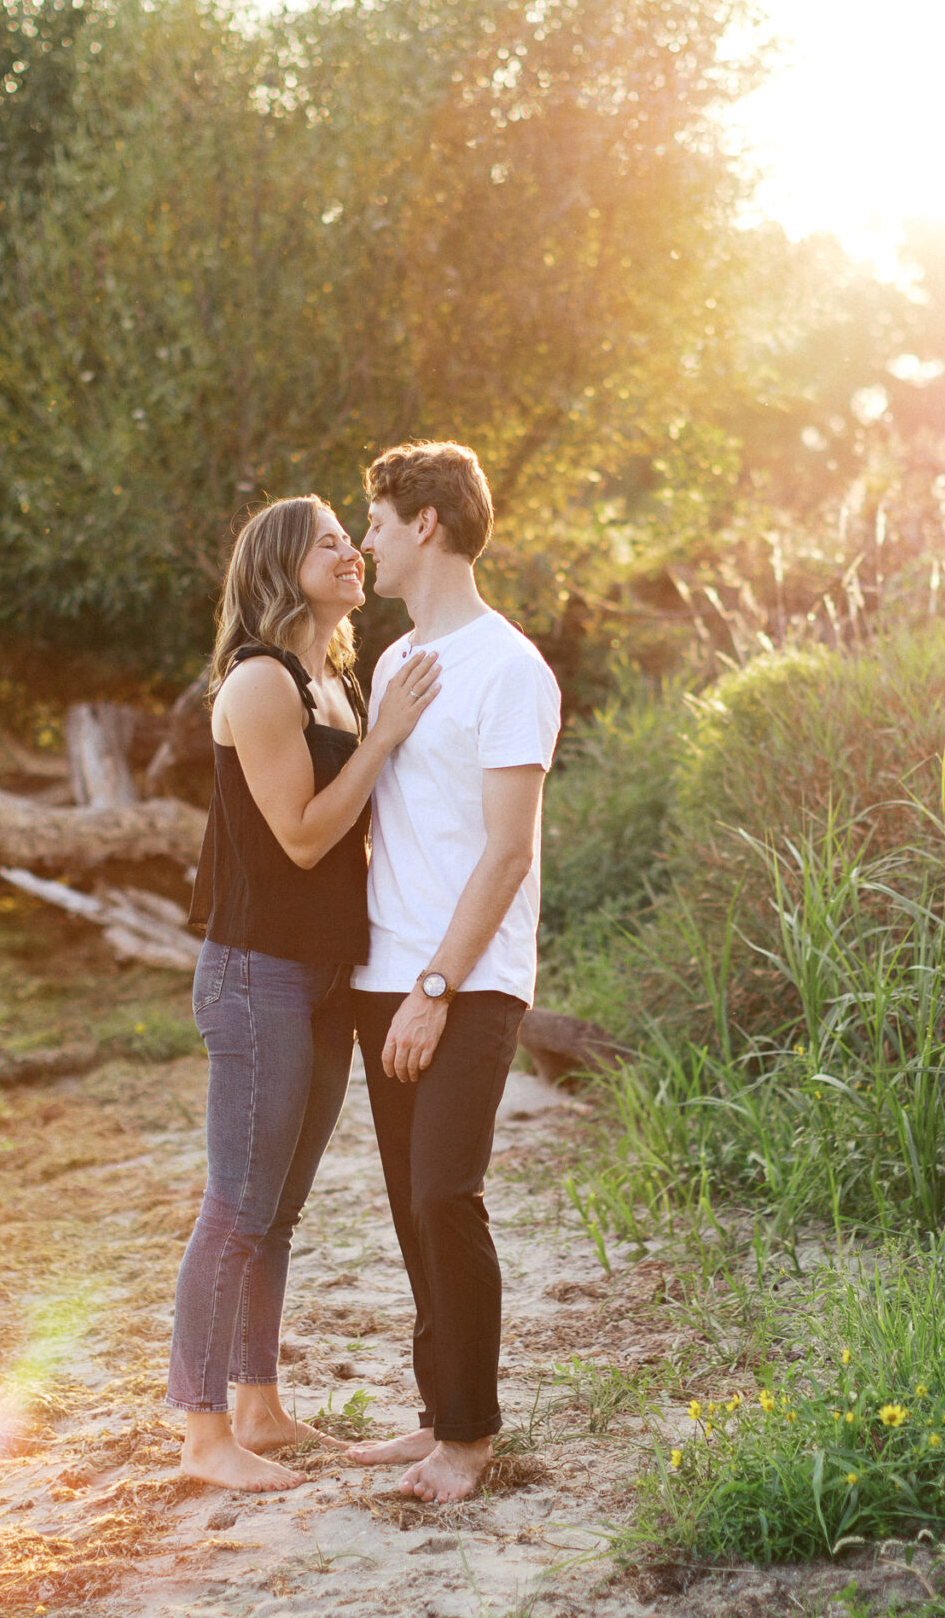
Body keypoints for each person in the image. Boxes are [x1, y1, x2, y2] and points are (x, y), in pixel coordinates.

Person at [170, 494, 441, 1491]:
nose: (350, 551)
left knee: (276, 1212)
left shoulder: (339, 680)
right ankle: (202, 1436)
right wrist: (388, 738)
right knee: (236, 1206)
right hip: (256, 975)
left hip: (328, 973)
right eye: (328, 539)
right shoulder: (257, 682)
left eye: (349, 537)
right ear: (281, 566)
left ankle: (258, 1406)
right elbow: (302, 834)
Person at [342, 442, 562, 1504]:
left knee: (444, 1194)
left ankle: (470, 1442)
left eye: (376, 521)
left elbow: (507, 849)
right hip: (383, 973)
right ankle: (435, 1415)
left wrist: (435, 986)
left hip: (466, 982)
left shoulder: (510, 668)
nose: (365, 541)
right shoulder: (392, 665)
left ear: (423, 523)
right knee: (404, 1204)